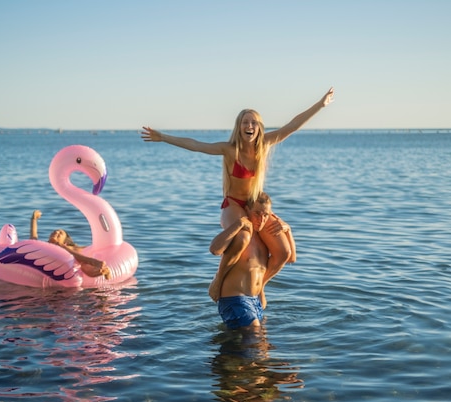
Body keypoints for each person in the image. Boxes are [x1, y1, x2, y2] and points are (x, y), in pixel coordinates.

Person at [142, 87, 333, 300]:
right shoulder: (230, 149)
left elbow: (293, 125)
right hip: (233, 205)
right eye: (245, 122)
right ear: (239, 127)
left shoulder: (266, 144)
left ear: (259, 127)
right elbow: (196, 145)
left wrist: (320, 104)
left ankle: (260, 286)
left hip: (255, 206)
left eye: (253, 122)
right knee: (242, 237)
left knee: (284, 252)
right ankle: (218, 280)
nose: (249, 126)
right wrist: (163, 137)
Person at [209, 192, 296, 329]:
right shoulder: (243, 235)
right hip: (235, 299)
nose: (261, 219)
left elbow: (290, 258)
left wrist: (288, 230)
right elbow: (215, 249)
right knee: (255, 340)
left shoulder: (263, 241)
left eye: (265, 215)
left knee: (261, 347)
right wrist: (238, 224)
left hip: (255, 301)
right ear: (247, 210)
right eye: (257, 213)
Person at [30, 210, 111, 279]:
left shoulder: (68, 247)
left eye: (60, 233)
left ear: (65, 241)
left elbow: (89, 248)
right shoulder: (45, 246)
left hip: (71, 264)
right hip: (50, 267)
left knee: (83, 266)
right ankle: (94, 263)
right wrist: (33, 219)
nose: (56, 232)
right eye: (54, 232)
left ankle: (102, 272)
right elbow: (33, 238)